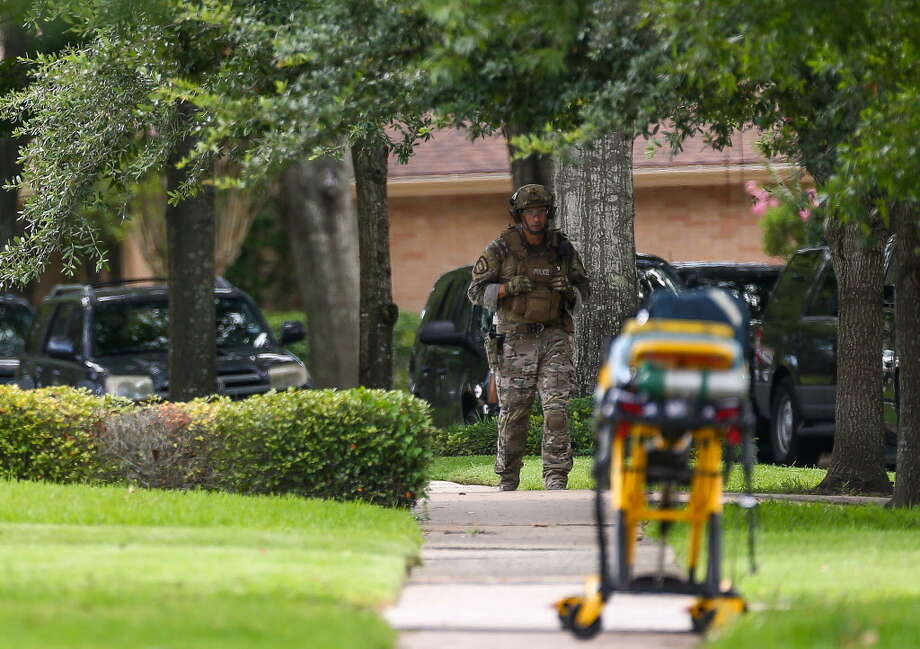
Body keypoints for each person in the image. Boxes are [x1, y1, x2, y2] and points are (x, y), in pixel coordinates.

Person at [468, 184, 590, 490]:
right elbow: (476, 291)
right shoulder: (501, 248)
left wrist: (567, 289)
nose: (537, 218)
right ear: (519, 215)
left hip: (554, 337)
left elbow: (583, 289)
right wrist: (507, 289)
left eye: (541, 212)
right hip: (515, 339)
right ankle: (508, 477)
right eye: (530, 213)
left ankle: (556, 475)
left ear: (549, 213)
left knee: (557, 408)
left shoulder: (562, 248)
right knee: (514, 411)